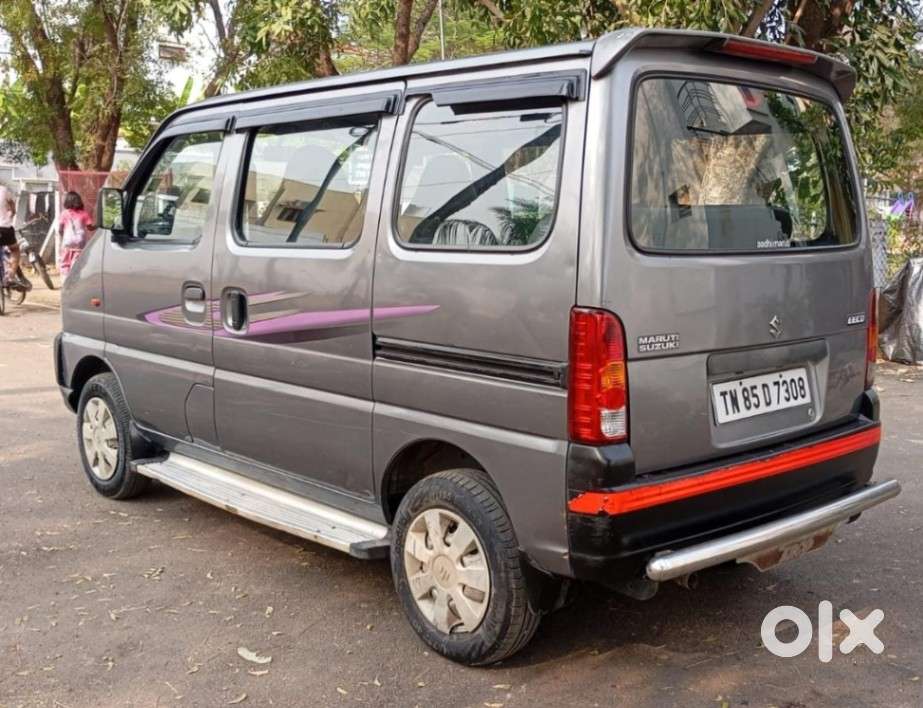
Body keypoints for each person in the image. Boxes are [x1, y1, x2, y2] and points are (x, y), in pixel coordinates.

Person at [59, 191, 94, 279]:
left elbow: (60, 229)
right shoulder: (84, 213)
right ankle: (75, 280)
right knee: (77, 263)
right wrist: (98, 225)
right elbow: (90, 228)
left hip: (67, 242)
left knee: (65, 263)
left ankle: (65, 280)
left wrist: (62, 238)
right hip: (80, 243)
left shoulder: (64, 213)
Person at [0, 181, 25, 286]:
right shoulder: (4, 190)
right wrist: (10, 215)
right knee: (15, 250)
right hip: (5, 228)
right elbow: (13, 208)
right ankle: (10, 276)